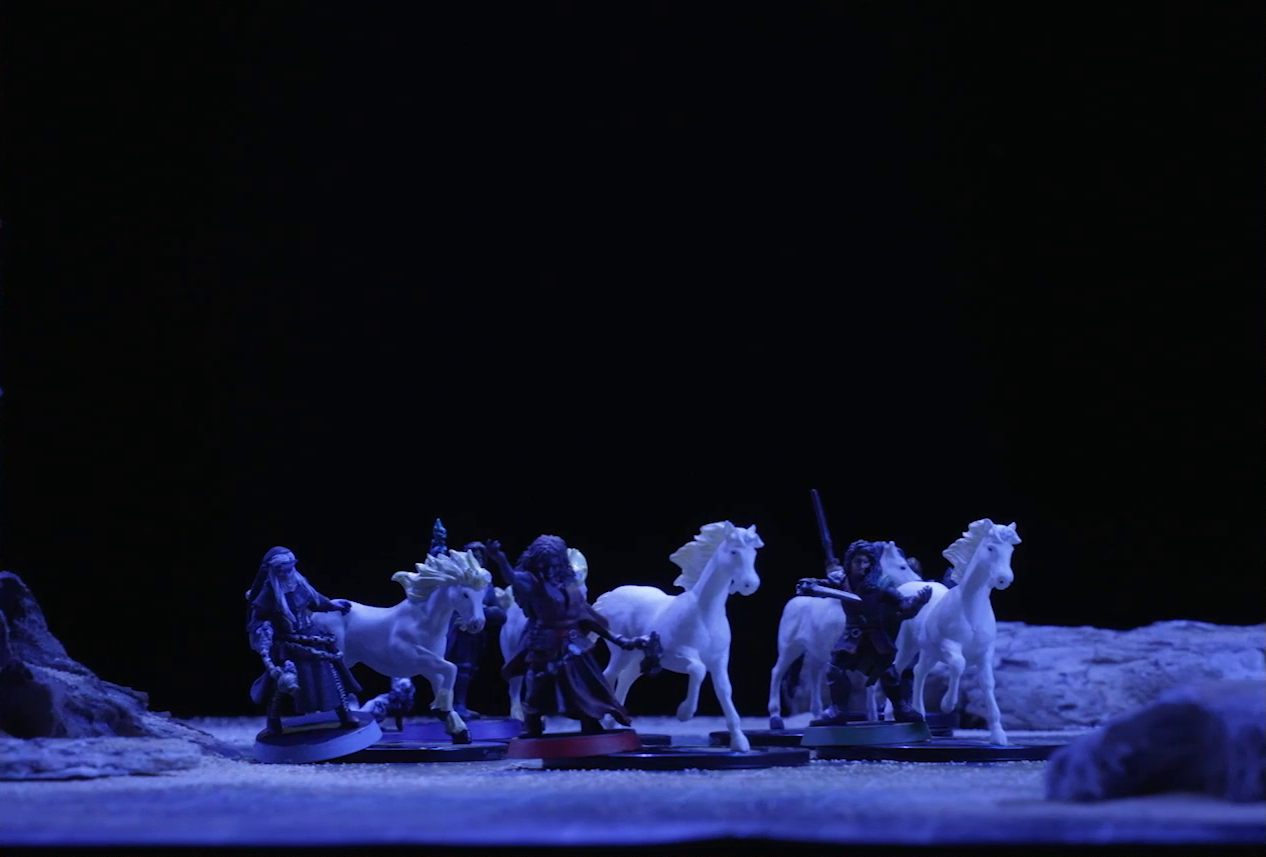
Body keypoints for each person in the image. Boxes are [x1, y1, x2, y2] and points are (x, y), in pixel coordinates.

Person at [483, 534, 656, 736]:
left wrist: (617, 639)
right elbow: (511, 577)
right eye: (545, 565)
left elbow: (584, 614)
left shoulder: (568, 583)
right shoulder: (531, 582)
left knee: (585, 687)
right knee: (538, 687)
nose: (550, 570)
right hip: (544, 644)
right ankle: (532, 724)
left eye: (555, 564)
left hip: (573, 644)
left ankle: (590, 723)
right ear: (537, 563)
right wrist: (499, 558)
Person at [798, 539, 932, 723]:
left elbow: (904, 606)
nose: (862, 566)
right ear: (850, 562)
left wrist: (918, 601)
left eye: (866, 561)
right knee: (834, 670)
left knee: (888, 673)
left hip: (875, 637)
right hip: (852, 637)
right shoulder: (841, 580)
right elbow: (821, 587)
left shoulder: (881, 584)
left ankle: (901, 709)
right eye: (858, 561)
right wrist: (809, 585)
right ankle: (838, 710)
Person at [246, 546, 360, 735]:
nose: (289, 571)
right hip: (287, 643)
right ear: (275, 570)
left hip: (312, 636)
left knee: (332, 675)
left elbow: (315, 601)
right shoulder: (268, 594)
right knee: (281, 684)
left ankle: (345, 715)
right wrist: (264, 628)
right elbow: (257, 618)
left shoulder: (299, 583)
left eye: (291, 566)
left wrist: (332, 605)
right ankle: (273, 720)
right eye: (284, 568)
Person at [424, 520, 507, 719]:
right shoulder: (457, 583)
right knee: (449, 668)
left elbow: (500, 613)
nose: (477, 559)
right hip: (455, 632)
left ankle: (459, 704)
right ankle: (446, 705)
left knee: (467, 671)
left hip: (475, 638)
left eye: (480, 556)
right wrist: (437, 546)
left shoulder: (486, 587)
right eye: (473, 555)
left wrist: (485, 612)